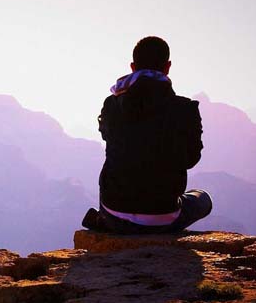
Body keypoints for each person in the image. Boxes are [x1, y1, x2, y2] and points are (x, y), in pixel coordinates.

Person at [82, 36, 212, 234]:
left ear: (133, 67)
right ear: (168, 67)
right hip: (163, 215)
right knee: (203, 198)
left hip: (114, 212)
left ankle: (105, 221)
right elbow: (191, 159)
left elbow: (108, 136)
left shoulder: (112, 104)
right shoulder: (185, 109)